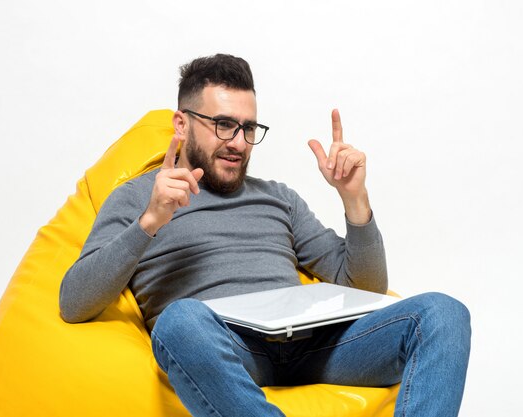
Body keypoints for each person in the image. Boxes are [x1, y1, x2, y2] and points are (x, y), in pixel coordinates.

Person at [59, 53, 471, 417]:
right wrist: (149, 222)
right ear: (181, 124)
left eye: (248, 128)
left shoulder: (279, 198)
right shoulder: (137, 197)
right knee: (179, 320)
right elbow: (73, 302)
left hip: (312, 346)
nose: (239, 143)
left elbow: (365, 287)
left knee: (443, 312)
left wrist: (354, 201)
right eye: (223, 125)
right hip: (229, 351)